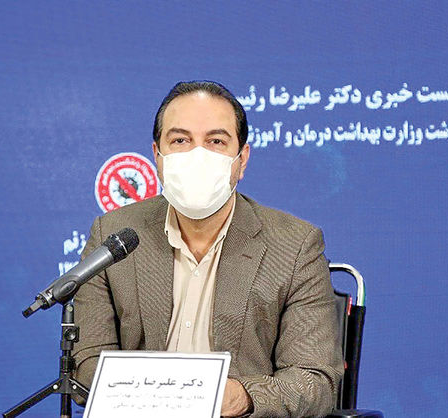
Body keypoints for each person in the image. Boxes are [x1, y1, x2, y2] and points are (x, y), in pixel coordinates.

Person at [73, 81, 343, 417]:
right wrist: (159, 399)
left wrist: (240, 397)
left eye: (216, 141)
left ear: (242, 160)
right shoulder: (113, 236)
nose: (197, 156)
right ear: (157, 156)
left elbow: (314, 381)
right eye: (180, 140)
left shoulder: (295, 245)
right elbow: (87, 362)